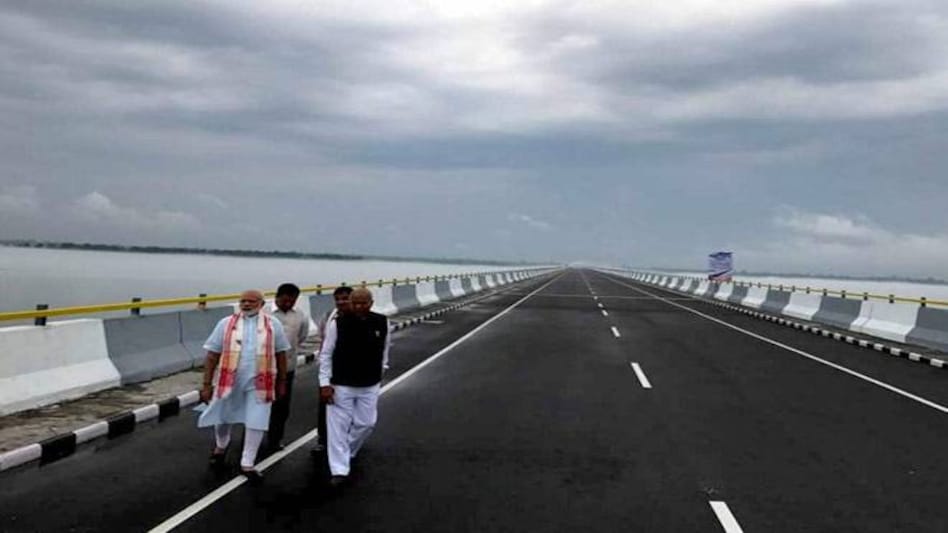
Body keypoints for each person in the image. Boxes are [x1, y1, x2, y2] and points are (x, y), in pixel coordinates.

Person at [198, 289, 290, 482]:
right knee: (222, 417)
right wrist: (206, 384)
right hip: (229, 381)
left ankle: (247, 463)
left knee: (257, 420)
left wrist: (282, 381)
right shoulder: (226, 324)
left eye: (251, 301)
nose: (246, 304)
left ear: (261, 304)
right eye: (243, 301)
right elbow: (212, 354)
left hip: (260, 382)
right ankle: (221, 446)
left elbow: (281, 354)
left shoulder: (273, 325)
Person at [318, 287, 390, 486]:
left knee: (366, 423)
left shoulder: (382, 322)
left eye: (363, 303)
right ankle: (339, 470)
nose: (358, 307)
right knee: (337, 428)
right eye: (355, 303)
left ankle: (346, 450)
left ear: (371, 303)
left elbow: (384, 348)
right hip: (341, 384)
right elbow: (326, 354)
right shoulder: (338, 324)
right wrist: (324, 383)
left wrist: (382, 369)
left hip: (370, 384)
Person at [264, 283, 310, 453]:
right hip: (263, 369)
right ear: (277, 297)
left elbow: (302, 336)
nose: (287, 304)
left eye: (291, 301)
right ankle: (251, 440)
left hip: (286, 369)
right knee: (258, 405)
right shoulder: (265, 313)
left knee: (281, 407)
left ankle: (275, 439)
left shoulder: (301, 316)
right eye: (284, 300)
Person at [311, 285, 353, 455]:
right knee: (325, 405)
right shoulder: (329, 317)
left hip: (351, 369)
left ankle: (346, 439)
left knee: (349, 407)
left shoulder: (359, 317)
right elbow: (323, 339)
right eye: (338, 299)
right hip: (330, 369)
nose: (341, 302)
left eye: (345, 298)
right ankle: (323, 440)